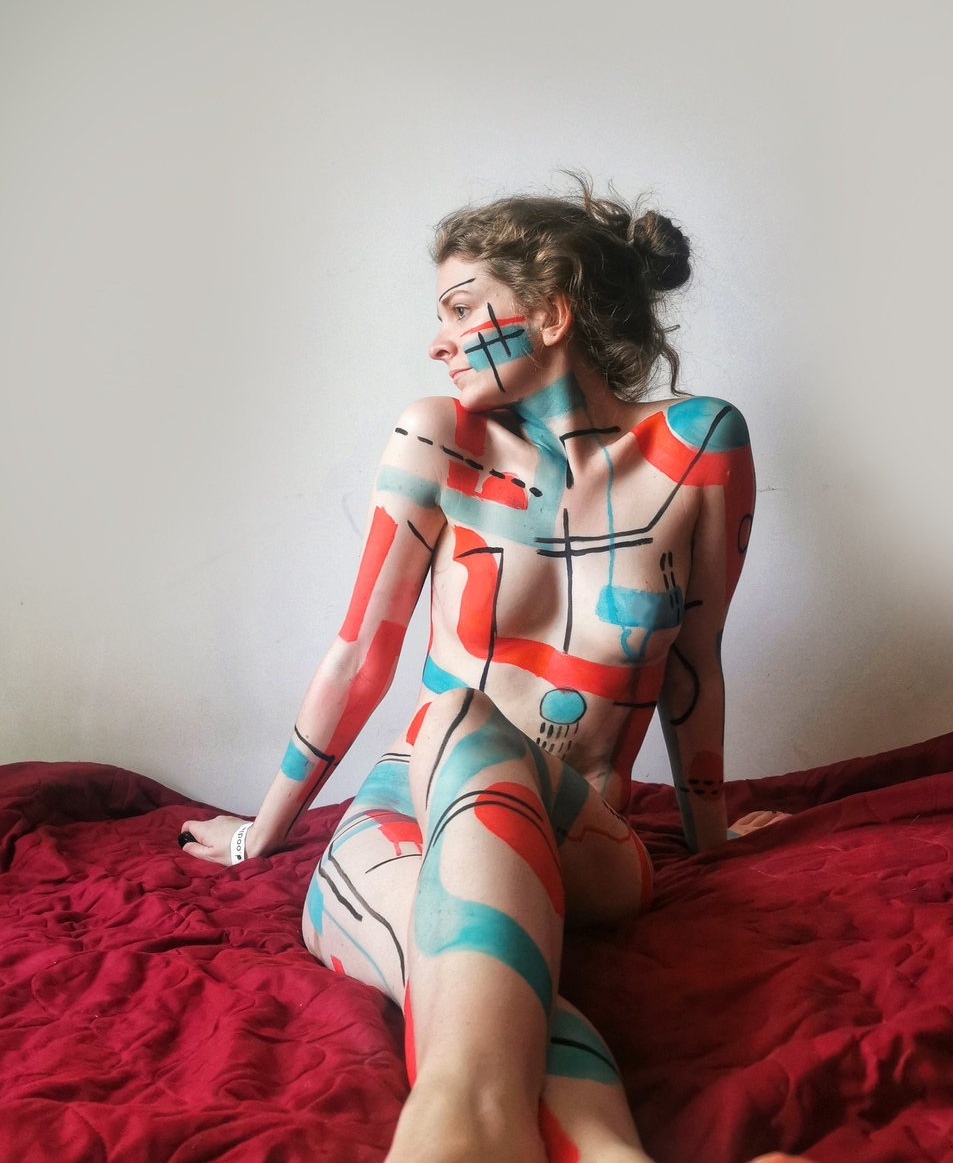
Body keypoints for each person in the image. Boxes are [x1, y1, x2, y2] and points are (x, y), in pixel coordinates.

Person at [180, 179, 804, 1163]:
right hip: (407, 805)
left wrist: (709, 834)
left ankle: (456, 1129)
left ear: (551, 313)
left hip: (584, 833)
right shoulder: (438, 438)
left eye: (462, 308)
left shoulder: (697, 448)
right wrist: (263, 831)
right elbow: (361, 652)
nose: (439, 341)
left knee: (456, 715)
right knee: (465, 968)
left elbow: (696, 664)